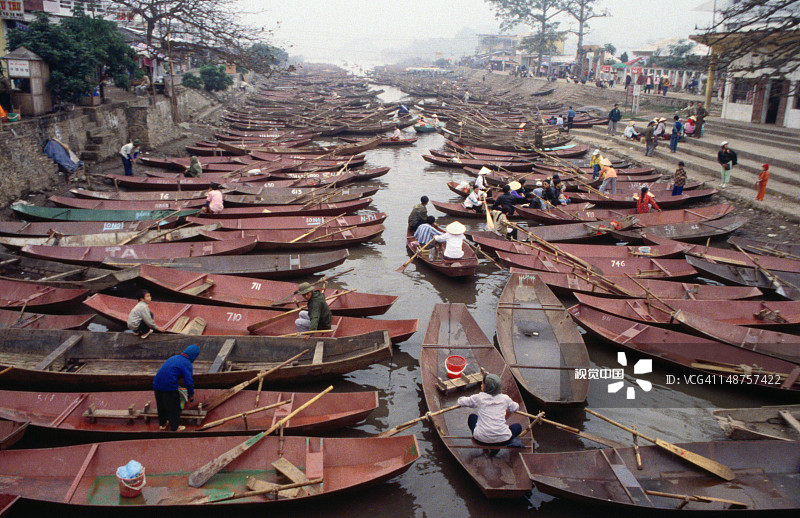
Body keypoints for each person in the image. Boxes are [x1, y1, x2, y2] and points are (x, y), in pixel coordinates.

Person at [458, 373, 523, 450]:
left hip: (481, 439)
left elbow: (461, 402)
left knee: (472, 417)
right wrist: (507, 405)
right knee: (518, 427)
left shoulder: (479, 397)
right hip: (503, 439)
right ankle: (506, 443)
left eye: (483, 384)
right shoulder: (505, 399)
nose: (481, 385)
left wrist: (462, 398)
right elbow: (515, 408)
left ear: (487, 387)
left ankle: (487, 443)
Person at [153, 344, 199, 432]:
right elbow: (188, 382)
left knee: (161, 405)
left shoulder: (174, 357)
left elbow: (169, 371)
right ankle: (175, 428)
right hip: (168, 386)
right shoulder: (187, 363)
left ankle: (162, 424)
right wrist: (191, 394)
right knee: (173, 407)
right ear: (194, 356)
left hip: (156, 384)